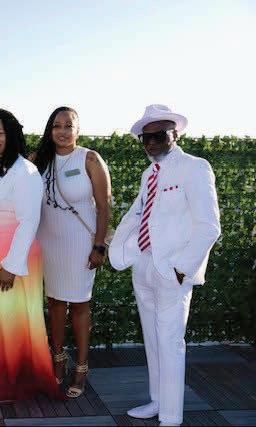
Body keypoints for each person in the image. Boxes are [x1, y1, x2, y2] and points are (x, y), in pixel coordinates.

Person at [109, 105, 221, 426]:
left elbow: (209, 226)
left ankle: (171, 417)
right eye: (145, 138)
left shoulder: (195, 167)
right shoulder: (149, 174)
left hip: (172, 271)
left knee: (170, 343)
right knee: (152, 339)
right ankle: (157, 401)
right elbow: (140, 215)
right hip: (144, 265)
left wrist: (182, 269)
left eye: (158, 135)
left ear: (175, 134)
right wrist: (124, 247)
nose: (150, 143)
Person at [0, 108, 64, 401]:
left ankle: (10, 379)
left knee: (8, 320)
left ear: (12, 134)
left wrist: (12, 266)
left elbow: (29, 220)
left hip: (11, 259)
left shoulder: (24, 171)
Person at [31, 107, 111, 398]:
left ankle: (81, 368)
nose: (62, 131)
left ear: (78, 129)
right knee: (54, 303)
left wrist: (99, 245)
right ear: (49, 129)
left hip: (81, 243)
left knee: (79, 305)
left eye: (68, 125)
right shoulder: (38, 160)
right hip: (48, 243)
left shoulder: (89, 159)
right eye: (57, 126)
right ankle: (58, 360)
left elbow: (104, 205)